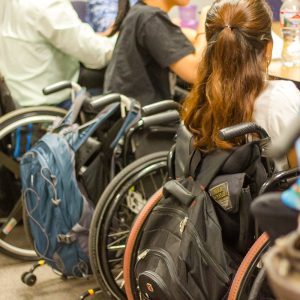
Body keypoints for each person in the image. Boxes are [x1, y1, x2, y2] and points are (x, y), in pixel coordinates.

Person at [182, 0, 300, 171]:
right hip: (272, 195)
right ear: (268, 48)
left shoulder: (203, 95)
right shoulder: (282, 98)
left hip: (217, 193)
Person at [0, 0, 117, 107]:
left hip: (18, 98)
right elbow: (98, 55)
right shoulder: (47, 5)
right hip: (53, 101)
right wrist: (121, 39)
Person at [103, 0, 210, 105]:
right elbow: (195, 72)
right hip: (144, 117)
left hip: (137, 113)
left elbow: (185, 37)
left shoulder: (141, 13)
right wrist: (205, 21)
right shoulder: (150, 18)